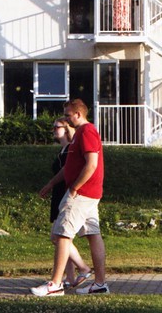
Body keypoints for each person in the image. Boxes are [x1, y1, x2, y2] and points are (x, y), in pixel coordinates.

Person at [30, 99, 108, 297]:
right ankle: (99, 284)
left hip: (81, 194)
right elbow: (69, 167)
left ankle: (55, 284)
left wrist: (74, 188)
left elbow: (92, 164)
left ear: (78, 114)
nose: (65, 119)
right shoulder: (79, 134)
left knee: (62, 235)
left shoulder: (87, 131)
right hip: (88, 194)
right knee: (93, 234)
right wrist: (51, 184)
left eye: (67, 115)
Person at [48, 118, 92, 289]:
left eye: (57, 127)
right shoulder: (64, 150)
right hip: (58, 193)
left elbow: (68, 171)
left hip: (65, 193)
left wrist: (52, 185)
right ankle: (70, 277)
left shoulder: (70, 150)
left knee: (59, 236)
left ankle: (83, 268)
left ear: (66, 129)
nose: (54, 130)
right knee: (60, 237)